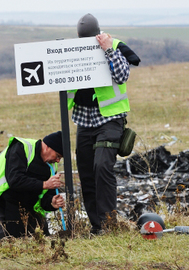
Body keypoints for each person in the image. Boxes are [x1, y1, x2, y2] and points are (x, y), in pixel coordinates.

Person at [68, 13, 141, 235]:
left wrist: (108, 49)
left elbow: (122, 76)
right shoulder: (74, 49)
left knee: (102, 167)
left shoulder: (115, 45)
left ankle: (109, 223)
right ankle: (96, 226)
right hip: (83, 119)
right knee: (87, 173)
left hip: (110, 118)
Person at [0, 131, 65, 239]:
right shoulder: (21, 147)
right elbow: (15, 180)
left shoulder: (51, 168)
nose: (58, 161)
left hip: (20, 207)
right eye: (58, 156)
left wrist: (52, 202)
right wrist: (44, 184)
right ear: (47, 147)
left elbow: (45, 197)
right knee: (0, 236)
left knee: (41, 236)